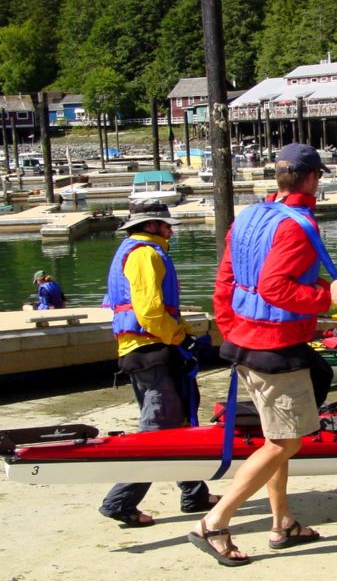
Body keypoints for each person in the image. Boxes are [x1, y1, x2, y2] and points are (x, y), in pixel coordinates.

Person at [188, 143, 337, 566]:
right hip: (275, 349)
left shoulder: (248, 215)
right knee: (285, 441)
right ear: (314, 178)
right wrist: (326, 298)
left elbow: (225, 280)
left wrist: (231, 329)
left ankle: (282, 522)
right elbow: (274, 288)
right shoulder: (297, 227)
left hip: (244, 341)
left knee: (275, 439)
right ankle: (215, 524)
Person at [98, 201, 219, 527]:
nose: (172, 229)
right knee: (159, 431)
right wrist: (182, 338)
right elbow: (150, 312)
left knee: (176, 422)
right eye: (167, 225)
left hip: (146, 349)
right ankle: (120, 501)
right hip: (151, 350)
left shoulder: (135, 251)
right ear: (151, 226)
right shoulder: (145, 254)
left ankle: (193, 492)